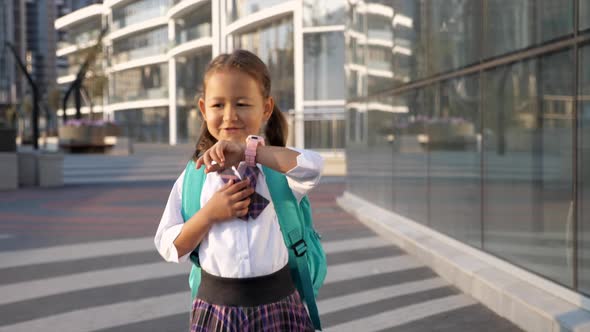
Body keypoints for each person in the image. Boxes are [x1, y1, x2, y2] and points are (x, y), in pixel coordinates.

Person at [154, 49, 323, 331]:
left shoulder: (277, 170)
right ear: (203, 109)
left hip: (279, 306)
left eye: (242, 104)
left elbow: (313, 167)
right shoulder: (194, 177)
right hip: (216, 310)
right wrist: (209, 214)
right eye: (218, 105)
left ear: (266, 108)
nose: (230, 115)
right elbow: (171, 247)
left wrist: (249, 152)